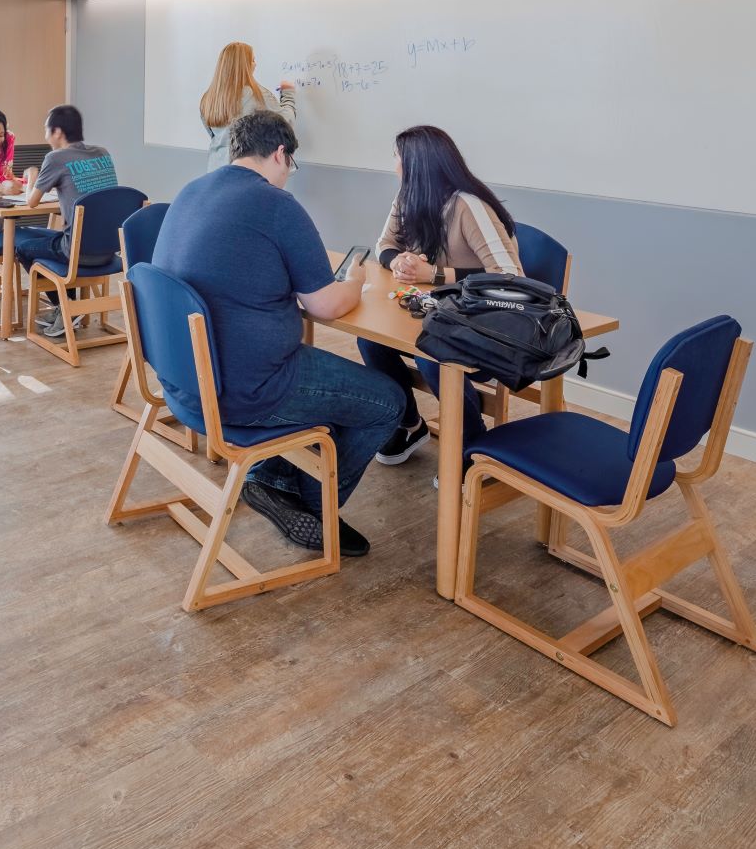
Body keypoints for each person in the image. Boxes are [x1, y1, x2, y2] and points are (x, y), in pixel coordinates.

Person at [152, 111, 405, 555]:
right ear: (280, 154)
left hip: (185, 383)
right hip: (249, 389)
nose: (288, 175)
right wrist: (354, 281)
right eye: (291, 164)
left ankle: (273, 480)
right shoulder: (275, 204)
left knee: (335, 393)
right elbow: (322, 304)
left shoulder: (190, 192)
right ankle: (310, 505)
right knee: (388, 402)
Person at [359, 125, 522, 466]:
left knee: (430, 355)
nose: (394, 166)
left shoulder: (468, 206)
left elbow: (510, 277)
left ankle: (472, 445)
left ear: (417, 165)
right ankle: (409, 424)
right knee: (369, 340)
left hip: (483, 324)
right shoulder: (408, 197)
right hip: (438, 314)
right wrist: (400, 261)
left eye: (397, 158)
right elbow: (383, 246)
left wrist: (433, 274)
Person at [16, 105, 119, 339]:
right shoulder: (102, 153)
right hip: (109, 250)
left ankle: (67, 307)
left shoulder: (55, 158)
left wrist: (32, 174)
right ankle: (68, 308)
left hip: (77, 251)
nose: (45, 136)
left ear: (57, 132)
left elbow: (31, 202)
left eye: (46, 130)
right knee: (47, 236)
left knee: (22, 248)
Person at [199, 41, 297, 170]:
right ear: (244, 65)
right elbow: (285, 122)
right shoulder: (257, 94)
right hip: (246, 171)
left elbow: (212, 134)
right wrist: (288, 93)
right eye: (252, 60)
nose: (255, 64)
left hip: (216, 168)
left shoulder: (208, 97)